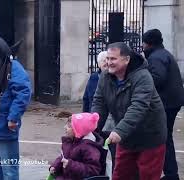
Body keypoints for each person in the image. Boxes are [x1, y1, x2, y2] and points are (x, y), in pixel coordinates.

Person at [91, 42, 167, 180]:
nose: (109, 62)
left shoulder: (143, 77)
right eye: (107, 58)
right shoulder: (105, 76)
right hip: (126, 136)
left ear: (126, 59)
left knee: (147, 176)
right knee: (120, 174)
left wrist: (119, 131)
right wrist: (92, 129)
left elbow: (138, 107)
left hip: (149, 136)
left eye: (113, 59)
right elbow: (99, 103)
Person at [0, 59, 32, 180]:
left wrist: (13, 117)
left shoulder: (13, 66)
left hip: (5, 127)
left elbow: (23, 91)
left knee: (9, 171)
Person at [143, 29, 184, 180]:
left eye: (144, 43)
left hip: (166, 103)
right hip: (172, 101)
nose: (142, 46)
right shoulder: (163, 54)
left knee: (163, 138)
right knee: (165, 138)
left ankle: (171, 173)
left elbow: (157, 78)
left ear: (149, 43)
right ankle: (170, 173)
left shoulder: (156, 57)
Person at [49, 112, 103, 180]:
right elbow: (62, 157)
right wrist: (55, 166)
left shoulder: (89, 148)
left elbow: (93, 170)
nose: (65, 127)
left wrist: (70, 165)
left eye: (69, 126)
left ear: (78, 130)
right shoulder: (71, 141)